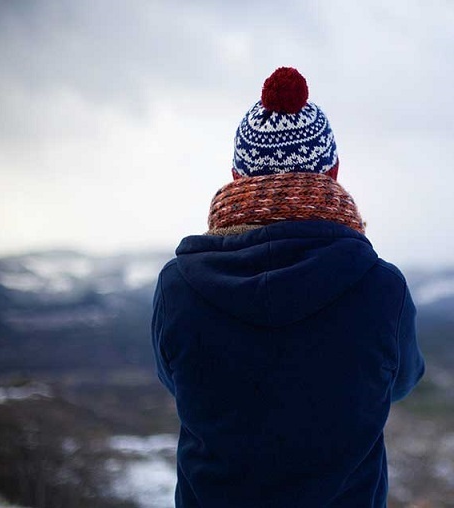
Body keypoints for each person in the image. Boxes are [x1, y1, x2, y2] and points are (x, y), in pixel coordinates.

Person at [151, 67, 425, 508]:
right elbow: (401, 381)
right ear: (333, 172)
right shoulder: (382, 288)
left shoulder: (178, 287)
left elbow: (176, 381)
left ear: (238, 176)